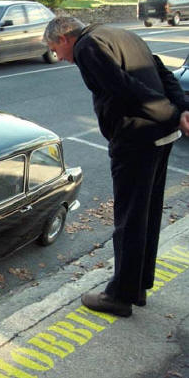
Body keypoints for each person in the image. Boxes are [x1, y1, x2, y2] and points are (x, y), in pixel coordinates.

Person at [43, 17, 189, 317]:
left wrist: (170, 112)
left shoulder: (87, 46)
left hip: (137, 140)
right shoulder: (119, 33)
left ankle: (120, 297)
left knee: (129, 218)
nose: (57, 56)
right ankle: (138, 286)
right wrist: (182, 108)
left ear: (64, 38)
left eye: (54, 48)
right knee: (146, 214)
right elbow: (162, 69)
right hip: (161, 137)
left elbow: (124, 88)